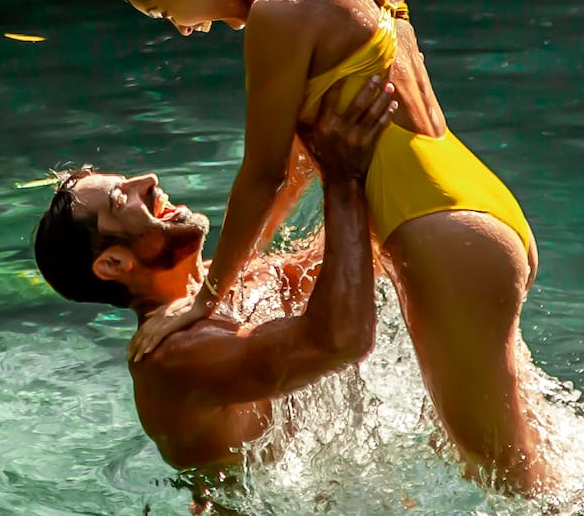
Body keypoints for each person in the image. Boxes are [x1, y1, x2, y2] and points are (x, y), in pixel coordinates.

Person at [92, 0, 549, 495]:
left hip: (442, 234)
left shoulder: (278, 11)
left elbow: (264, 173)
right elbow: (305, 158)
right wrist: (239, 271)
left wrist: (206, 299)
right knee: (500, 445)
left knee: (509, 480)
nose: (184, 29)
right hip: (473, 200)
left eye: (167, 10)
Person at [31, 76, 401, 470]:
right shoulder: (173, 358)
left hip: (335, 503)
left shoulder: (222, 283)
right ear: (113, 264)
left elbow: (356, 255)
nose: (150, 181)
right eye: (123, 199)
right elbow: (341, 341)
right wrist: (345, 180)